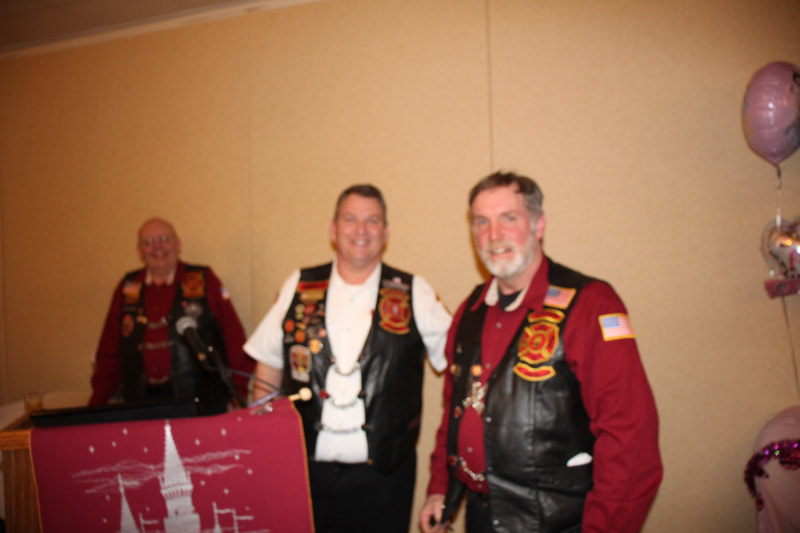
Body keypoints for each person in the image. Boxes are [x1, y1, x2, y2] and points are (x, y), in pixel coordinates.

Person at [420, 172, 663, 533]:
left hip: (557, 522)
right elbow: (454, 413)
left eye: (509, 218)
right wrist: (440, 489)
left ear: (538, 224)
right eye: (482, 222)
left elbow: (630, 441)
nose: (494, 235)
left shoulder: (591, 305)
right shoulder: (470, 310)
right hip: (480, 516)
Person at [245, 184, 452, 533]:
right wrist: (265, 445)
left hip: (385, 479)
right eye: (350, 219)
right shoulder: (299, 285)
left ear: (385, 232)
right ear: (333, 228)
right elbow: (267, 367)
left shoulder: (413, 291)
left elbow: (459, 365)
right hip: (305, 475)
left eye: (372, 221)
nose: (361, 230)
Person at [90, 217, 254, 415]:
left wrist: (237, 395)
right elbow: (108, 352)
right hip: (139, 404)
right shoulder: (127, 287)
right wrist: (96, 405)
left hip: (201, 404)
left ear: (178, 244)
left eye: (164, 239)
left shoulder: (205, 280)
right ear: (140, 251)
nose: (157, 247)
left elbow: (234, 340)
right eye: (149, 242)